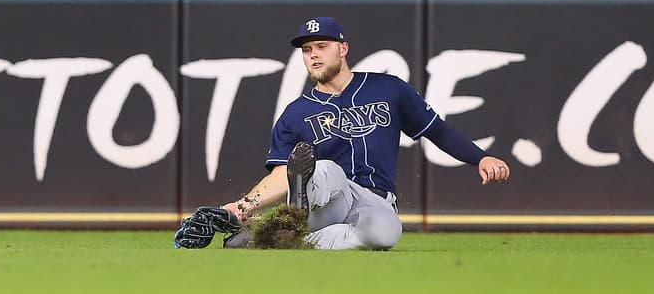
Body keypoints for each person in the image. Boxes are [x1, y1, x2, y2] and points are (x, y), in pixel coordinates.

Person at [215, 16, 511, 250]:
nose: (313, 55)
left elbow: (437, 130)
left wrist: (480, 158)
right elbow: (281, 174)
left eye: (321, 46)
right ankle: (298, 210)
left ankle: (278, 240)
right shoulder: (295, 113)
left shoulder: (389, 88)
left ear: (343, 48)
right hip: (328, 200)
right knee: (327, 170)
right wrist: (242, 207)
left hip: (376, 202)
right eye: (307, 50)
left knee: (381, 236)